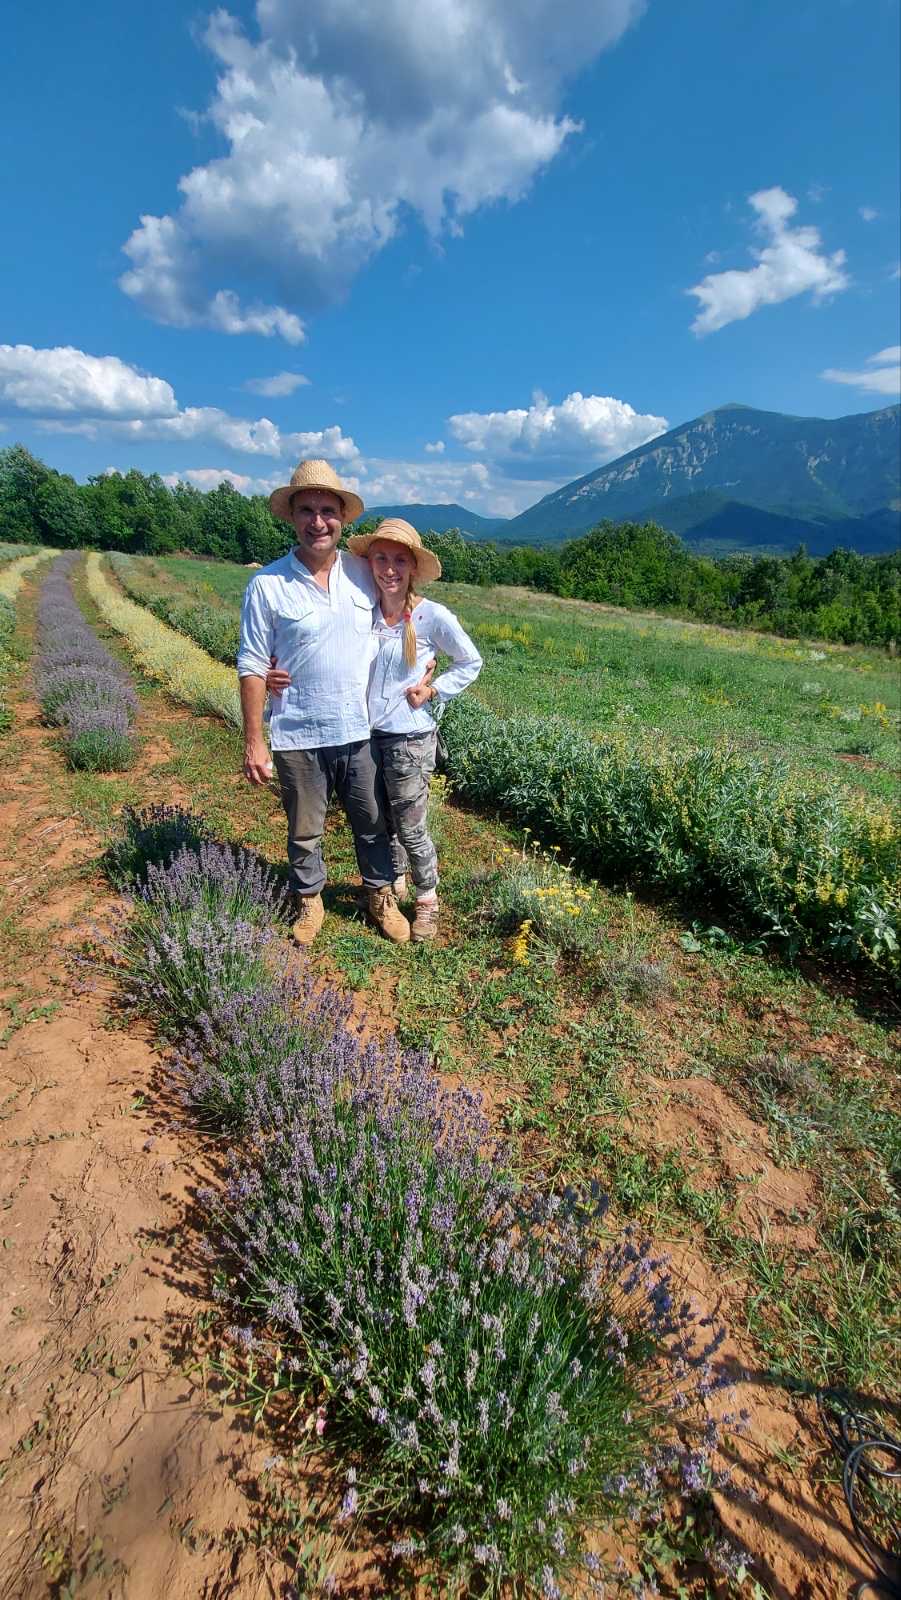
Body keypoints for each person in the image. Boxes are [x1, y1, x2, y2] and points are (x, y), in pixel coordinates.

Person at [269, 518, 482, 943]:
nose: (389, 569)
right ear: (368, 564)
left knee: (411, 825)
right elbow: (323, 644)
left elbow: (471, 661)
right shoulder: (364, 610)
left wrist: (433, 688)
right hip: (367, 734)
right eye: (380, 558)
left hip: (408, 738)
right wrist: (275, 667)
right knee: (380, 820)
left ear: (414, 568)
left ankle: (427, 901)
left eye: (399, 560)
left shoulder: (431, 616)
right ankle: (393, 881)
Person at [237, 459, 413, 948]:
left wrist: (427, 662)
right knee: (305, 827)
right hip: (298, 732)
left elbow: (405, 610)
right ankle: (309, 898)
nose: (319, 521)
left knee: (374, 822)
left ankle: (380, 896)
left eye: (328, 511)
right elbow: (252, 664)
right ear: (292, 517)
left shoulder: (364, 571)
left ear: (342, 518)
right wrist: (255, 741)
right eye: (308, 510)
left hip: (360, 729)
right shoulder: (267, 584)